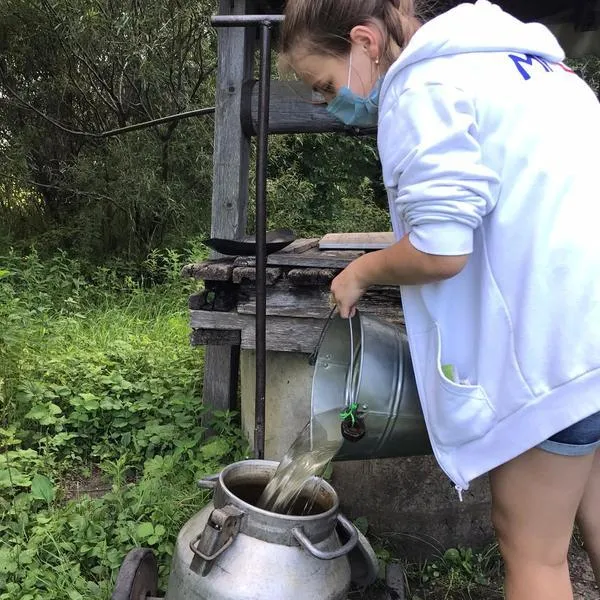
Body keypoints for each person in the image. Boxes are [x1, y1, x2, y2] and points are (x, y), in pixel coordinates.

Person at [280, 1, 600, 598]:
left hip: (558, 349)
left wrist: (362, 271)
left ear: (364, 42)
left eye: (323, 82)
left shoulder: (422, 87)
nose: (327, 101)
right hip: (590, 326)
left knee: (533, 549)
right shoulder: (531, 65)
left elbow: (441, 248)